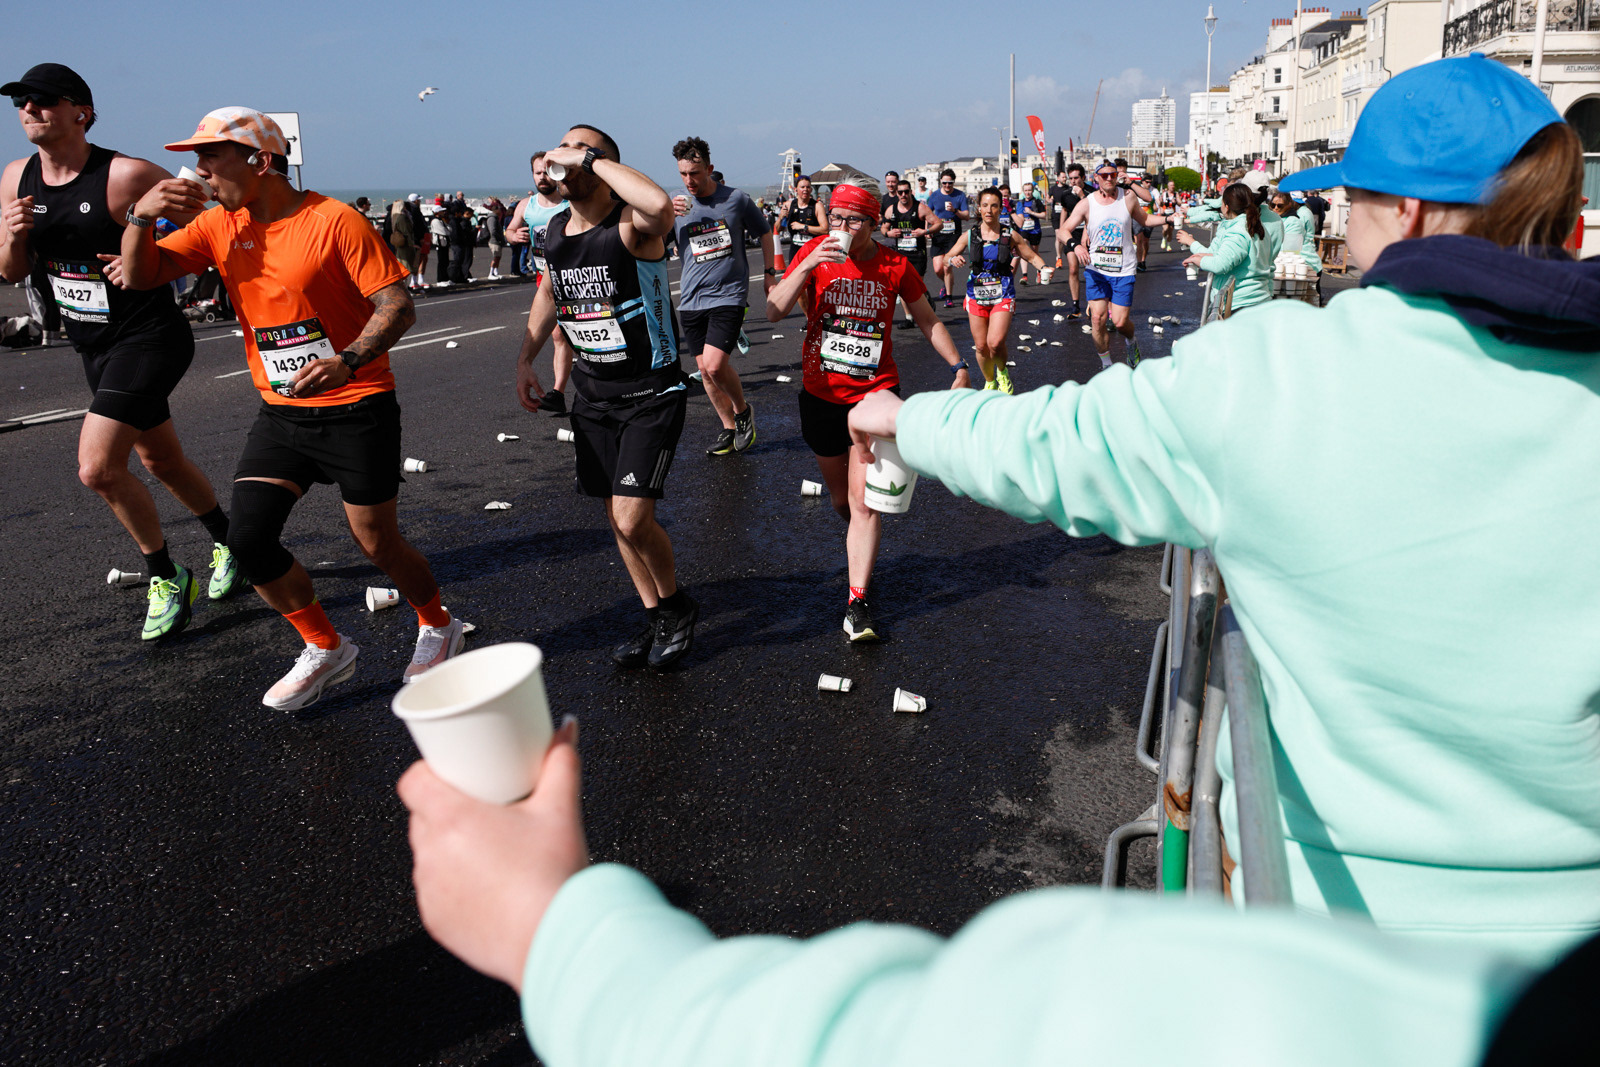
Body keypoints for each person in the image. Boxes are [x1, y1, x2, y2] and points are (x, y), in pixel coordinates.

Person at [849, 54, 1600, 962]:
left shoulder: (1280, 371)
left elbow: (1059, 445)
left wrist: (913, 420)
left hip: (1331, 932)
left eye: (1351, 202)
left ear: (1405, 212)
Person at [120, 106, 466, 708]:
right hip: (281, 412)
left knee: (377, 542)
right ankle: (325, 647)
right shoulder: (218, 224)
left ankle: (439, 624)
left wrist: (347, 360)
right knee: (248, 540)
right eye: (197, 159)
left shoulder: (334, 220)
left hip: (357, 402)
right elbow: (139, 275)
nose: (199, 170)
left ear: (260, 161)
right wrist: (139, 218)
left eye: (211, 157)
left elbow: (398, 306)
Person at [0, 62, 240, 641]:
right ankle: (232, 543)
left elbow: (218, 228)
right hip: (91, 342)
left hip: (149, 337)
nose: (29, 110)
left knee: (98, 468)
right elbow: (10, 272)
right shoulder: (15, 177)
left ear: (81, 112)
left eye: (43, 100)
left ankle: (165, 575)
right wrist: (11, 235)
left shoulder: (126, 174)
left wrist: (151, 260)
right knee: (161, 461)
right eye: (21, 101)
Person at [514, 124, 698, 671]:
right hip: (592, 397)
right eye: (563, 148)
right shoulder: (554, 229)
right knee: (616, 520)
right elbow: (550, 290)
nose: (562, 158)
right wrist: (525, 357)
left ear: (601, 164)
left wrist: (588, 158)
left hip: (651, 394)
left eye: (578, 150)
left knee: (633, 517)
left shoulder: (631, 224)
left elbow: (659, 205)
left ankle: (677, 607)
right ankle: (654, 614)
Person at [766, 183, 970, 641]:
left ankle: (857, 602)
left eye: (853, 219)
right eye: (837, 217)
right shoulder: (816, 253)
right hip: (822, 395)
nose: (842, 226)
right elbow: (774, 310)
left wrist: (958, 366)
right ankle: (860, 545)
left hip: (874, 393)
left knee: (863, 504)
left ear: (873, 224)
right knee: (842, 501)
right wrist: (807, 265)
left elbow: (927, 319)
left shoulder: (894, 264)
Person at [669, 136, 771, 456]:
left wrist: (770, 274)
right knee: (705, 373)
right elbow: (654, 244)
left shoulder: (735, 199)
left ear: (709, 168)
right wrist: (663, 218)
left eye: (695, 173)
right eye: (683, 174)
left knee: (714, 367)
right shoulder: (676, 206)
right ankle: (728, 427)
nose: (689, 180)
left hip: (729, 295)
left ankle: (742, 411)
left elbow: (764, 232)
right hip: (691, 300)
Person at [1057, 161, 1169, 370]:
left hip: (1123, 269)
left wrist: (1168, 219)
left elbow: (1145, 219)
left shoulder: (1127, 197)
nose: (1109, 178)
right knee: (1097, 319)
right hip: (1096, 270)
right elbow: (1063, 230)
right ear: (1096, 178)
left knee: (1119, 322)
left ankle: (1131, 341)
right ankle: (1106, 365)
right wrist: (1076, 246)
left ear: (1117, 176)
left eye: (1113, 175)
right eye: (1104, 175)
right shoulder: (1087, 203)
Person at [946, 187, 1050, 394]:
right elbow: (946, 257)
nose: (989, 210)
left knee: (995, 342)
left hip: (1003, 293)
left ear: (1000, 208)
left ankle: (1002, 373)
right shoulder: (970, 235)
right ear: (979, 208)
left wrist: (1044, 267)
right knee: (981, 346)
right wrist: (952, 259)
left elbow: (1030, 256)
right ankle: (990, 381)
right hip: (976, 294)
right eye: (985, 205)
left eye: (994, 206)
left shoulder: (1009, 234)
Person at [508, 151, 575, 413]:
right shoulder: (526, 205)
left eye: (547, 172)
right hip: (541, 277)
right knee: (559, 334)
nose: (543, 177)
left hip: (570, 276)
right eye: (538, 173)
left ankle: (558, 391)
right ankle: (559, 393)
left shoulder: (569, 203)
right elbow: (510, 230)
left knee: (560, 334)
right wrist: (514, 236)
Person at [1173, 183, 1274, 315]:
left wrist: (1198, 260)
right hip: (1257, 299)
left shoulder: (1238, 231)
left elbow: (1220, 264)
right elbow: (1218, 255)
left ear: (1226, 207)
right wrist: (1194, 248)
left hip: (1241, 303)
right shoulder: (1255, 226)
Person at [879, 179, 938, 329]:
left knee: (916, 286)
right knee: (902, 286)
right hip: (900, 254)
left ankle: (925, 298)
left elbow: (939, 224)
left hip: (918, 253)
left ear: (911, 192)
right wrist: (889, 233)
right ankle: (909, 318)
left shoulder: (921, 208)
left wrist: (925, 231)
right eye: (900, 192)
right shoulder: (891, 210)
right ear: (897, 194)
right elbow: (883, 228)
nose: (903, 195)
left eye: (906, 192)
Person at [1270, 188, 1324, 303]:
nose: (1275, 208)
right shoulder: (1279, 218)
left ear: (1289, 204)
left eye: (1280, 205)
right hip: (1297, 265)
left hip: (1306, 264)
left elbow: (1289, 252)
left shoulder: (1295, 220)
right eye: (1273, 205)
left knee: (1306, 300)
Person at [925, 169, 969, 307]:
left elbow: (967, 216)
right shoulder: (935, 196)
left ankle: (949, 298)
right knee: (938, 268)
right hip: (938, 235)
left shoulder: (960, 195)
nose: (947, 185)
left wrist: (955, 211)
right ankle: (946, 283)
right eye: (944, 183)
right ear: (941, 182)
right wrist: (927, 229)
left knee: (947, 267)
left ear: (953, 182)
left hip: (953, 236)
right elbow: (927, 213)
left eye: (950, 183)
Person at [1051, 163, 1088, 318]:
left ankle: (1093, 302)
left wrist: (1082, 195)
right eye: (1070, 178)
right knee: (1073, 269)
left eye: (1076, 178)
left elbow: (1093, 212)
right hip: (1072, 235)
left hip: (1087, 234)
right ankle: (1075, 305)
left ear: (1083, 178)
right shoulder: (1065, 194)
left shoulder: (1091, 193)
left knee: (1090, 270)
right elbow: (1064, 211)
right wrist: (1061, 231)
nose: (1073, 181)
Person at [778, 176, 824, 270]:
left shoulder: (817, 206)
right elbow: (777, 229)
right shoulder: (788, 205)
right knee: (793, 277)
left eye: (808, 187)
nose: (805, 190)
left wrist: (803, 227)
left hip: (812, 251)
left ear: (811, 190)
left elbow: (825, 230)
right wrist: (780, 218)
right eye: (802, 187)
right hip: (795, 251)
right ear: (796, 190)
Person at [1010, 181, 1047, 285]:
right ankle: (1024, 276)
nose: (1027, 192)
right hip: (1024, 230)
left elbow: (1044, 215)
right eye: (1026, 190)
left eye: (1029, 190)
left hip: (1035, 230)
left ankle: (1039, 272)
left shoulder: (1037, 202)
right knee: (1024, 250)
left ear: (1032, 191)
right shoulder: (1020, 203)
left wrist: (1031, 213)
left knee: (1034, 252)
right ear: (1023, 191)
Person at [388, 198, 420, 287]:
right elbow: (407, 232)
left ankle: (405, 286)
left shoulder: (394, 216)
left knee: (403, 267)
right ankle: (406, 287)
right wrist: (412, 244)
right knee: (407, 267)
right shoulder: (402, 217)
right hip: (406, 246)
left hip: (400, 245)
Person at [482, 197, 506, 279]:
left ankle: (495, 272)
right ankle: (491, 273)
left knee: (498, 257)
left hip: (497, 240)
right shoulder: (492, 218)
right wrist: (499, 238)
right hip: (494, 241)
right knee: (495, 257)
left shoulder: (495, 218)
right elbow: (493, 231)